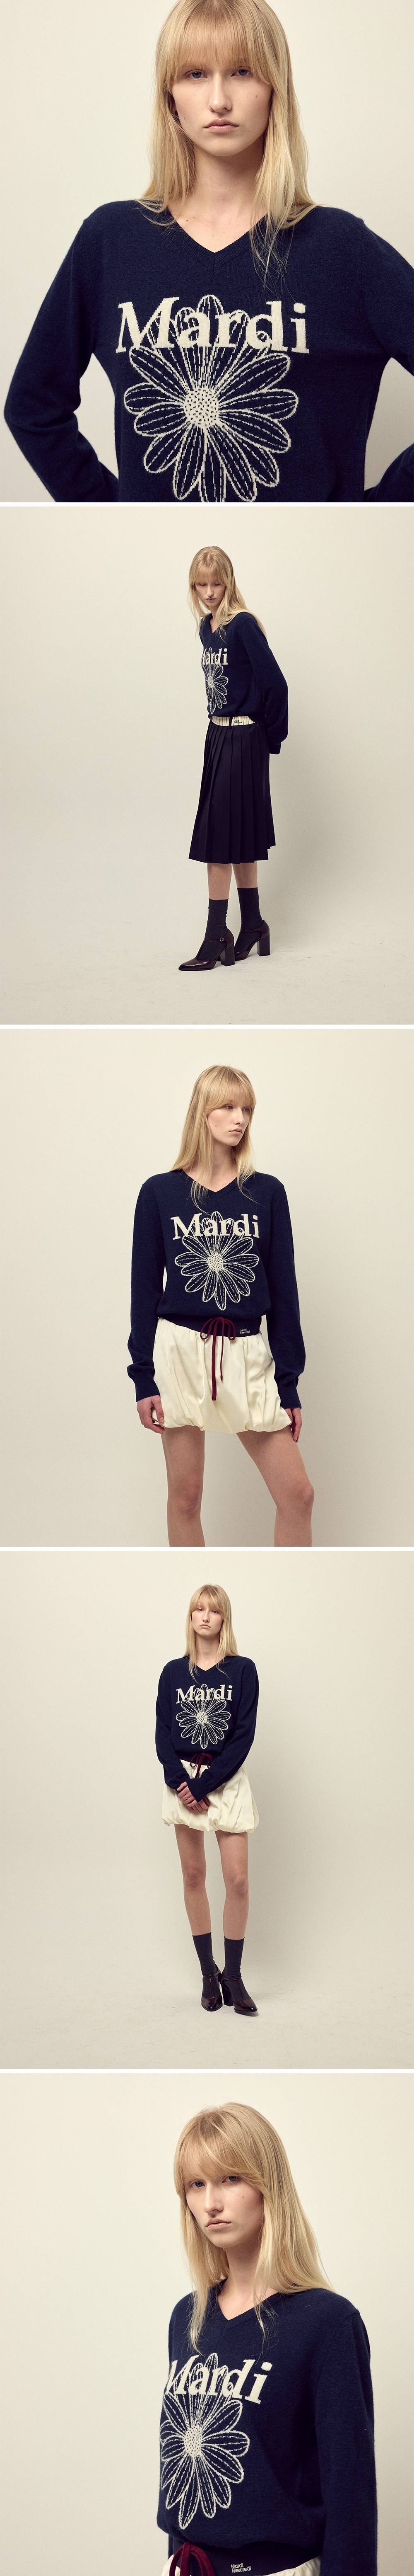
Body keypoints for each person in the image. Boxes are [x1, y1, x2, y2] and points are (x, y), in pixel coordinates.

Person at [4, 0, 413, 504]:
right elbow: (33, 406)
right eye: (195, 74)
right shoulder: (110, 241)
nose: (219, 99)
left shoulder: (342, 249)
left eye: (242, 71)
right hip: (156, 548)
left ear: (275, 88)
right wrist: (112, 518)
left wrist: (378, 516)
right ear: (170, 96)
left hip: (314, 551)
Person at [158, 2099, 377, 2576]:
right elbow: (182, 2469)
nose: (211, 2203)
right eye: (196, 2184)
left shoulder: (325, 2322)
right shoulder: (187, 2317)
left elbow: (351, 2496)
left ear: (267, 2184)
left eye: (230, 2178)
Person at [127, 1062, 314, 1548]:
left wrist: (288, 1382)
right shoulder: (159, 1192)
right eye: (228, 1106)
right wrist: (143, 1375)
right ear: (202, 1112)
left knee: (297, 1494)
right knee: (186, 1497)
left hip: (246, 1353)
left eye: (247, 1108)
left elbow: (284, 1291)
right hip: (179, 1353)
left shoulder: (266, 1193)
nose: (240, 1118)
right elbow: (144, 1289)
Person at [180, 546, 288, 970]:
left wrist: (270, 740)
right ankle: (254, 924)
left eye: (216, 583)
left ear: (229, 582)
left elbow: (276, 685)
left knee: (218, 839)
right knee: (239, 835)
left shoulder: (243, 624)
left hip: (246, 737)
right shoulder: (206, 629)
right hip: (217, 736)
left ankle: (215, 936)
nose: (209, 592)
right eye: (201, 584)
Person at [156, 1583, 260, 2012]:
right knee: (194, 1875)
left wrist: (206, 1785)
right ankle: (208, 1975)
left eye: (213, 1610)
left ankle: (232, 1975)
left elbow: (243, 1736)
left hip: (225, 1780)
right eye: (198, 1609)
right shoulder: (173, 1673)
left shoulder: (242, 1670)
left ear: (223, 1619)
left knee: (237, 1880)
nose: (204, 1616)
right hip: (183, 1782)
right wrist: (182, 1782)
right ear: (191, 1617)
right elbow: (163, 1733)